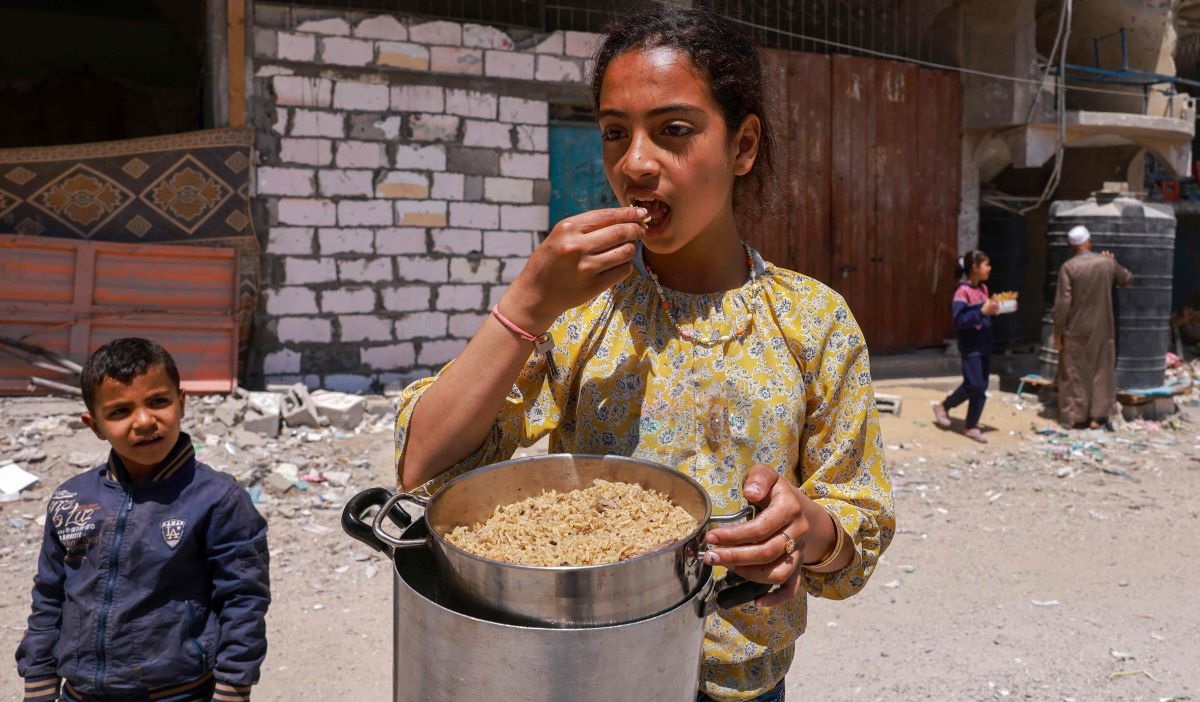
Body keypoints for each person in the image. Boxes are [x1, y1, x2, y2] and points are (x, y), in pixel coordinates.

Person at [392, 8, 894, 702]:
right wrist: (528, 306)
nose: (633, 164)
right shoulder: (579, 313)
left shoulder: (811, 322)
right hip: (588, 676)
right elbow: (423, 466)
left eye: (674, 131)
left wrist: (809, 530)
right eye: (614, 135)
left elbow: (858, 521)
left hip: (739, 683)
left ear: (743, 145)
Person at [15, 338, 270, 702]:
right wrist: (38, 683)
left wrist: (233, 689)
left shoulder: (217, 499)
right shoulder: (73, 499)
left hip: (178, 693)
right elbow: (50, 597)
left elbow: (243, 601)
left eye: (158, 402)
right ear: (95, 425)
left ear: (182, 402)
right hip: (80, 693)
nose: (145, 421)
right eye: (120, 411)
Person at [1053, 225, 1134, 429]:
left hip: (1076, 327)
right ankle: (1097, 418)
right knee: (1101, 369)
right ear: (1089, 242)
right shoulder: (1106, 262)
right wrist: (1113, 262)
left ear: (1071, 247)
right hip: (1103, 327)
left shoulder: (1068, 267)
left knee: (1073, 371)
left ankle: (1073, 416)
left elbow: (1063, 303)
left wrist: (1057, 332)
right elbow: (1127, 278)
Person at [932, 250, 1000, 443]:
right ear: (974, 268)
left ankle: (970, 426)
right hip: (971, 345)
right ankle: (944, 407)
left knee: (980, 386)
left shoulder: (983, 289)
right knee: (975, 385)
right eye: (986, 265)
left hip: (985, 343)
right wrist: (981, 312)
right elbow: (959, 319)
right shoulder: (962, 291)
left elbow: (984, 314)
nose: (989, 269)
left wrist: (994, 310)